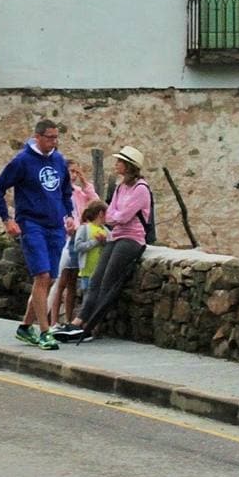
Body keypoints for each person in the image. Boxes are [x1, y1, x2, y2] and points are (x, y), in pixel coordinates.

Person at [0, 118, 76, 351]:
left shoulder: (58, 160)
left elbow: (65, 191)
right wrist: (6, 219)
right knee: (42, 275)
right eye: (50, 137)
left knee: (51, 278)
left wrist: (69, 215)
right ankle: (45, 331)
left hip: (55, 225)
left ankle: (26, 326)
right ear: (37, 137)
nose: (54, 142)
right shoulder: (22, 161)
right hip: (31, 224)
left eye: (57, 137)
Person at [54, 145, 151, 344]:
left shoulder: (141, 189)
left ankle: (86, 324)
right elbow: (110, 215)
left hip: (132, 238)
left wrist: (114, 217)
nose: (116, 165)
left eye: (119, 162)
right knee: (97, 278)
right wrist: (114, 217)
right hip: (115, 235)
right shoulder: (121, 187)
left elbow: (122, 216)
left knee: (108, 280)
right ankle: (79, 321)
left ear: (129, 165)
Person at [47, 159, 99, 326]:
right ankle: (54, 321)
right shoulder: (57, 193)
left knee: (71, 284)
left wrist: (85, 182)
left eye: (76, 172)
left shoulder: (78, 192)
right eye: (71, 171)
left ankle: (68, 320)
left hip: (77, 239)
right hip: (65, 239)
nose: (74, 175)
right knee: (60, 282)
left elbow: (95, 202)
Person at [72, 199, 109, 298]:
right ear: (101, 213)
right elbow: (78, 246)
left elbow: (109, 246)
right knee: (88, 296)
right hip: (87, 272)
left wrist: (104, 242)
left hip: (101, 270)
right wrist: (96, 242)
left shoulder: (106, 230)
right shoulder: (84, 229)